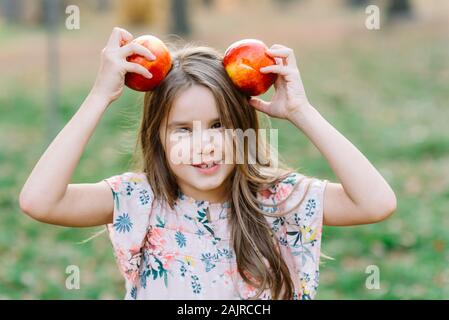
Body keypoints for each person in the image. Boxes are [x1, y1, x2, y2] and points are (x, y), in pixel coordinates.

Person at [19, 27, 397, 300]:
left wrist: (302, 111)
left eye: (219, 125)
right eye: (183, 130)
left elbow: (376, 203)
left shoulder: (277, 200)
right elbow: (40, 201)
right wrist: (99, 96)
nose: (204, 145)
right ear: (158, 139)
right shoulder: (138, 200)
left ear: (244, 128)